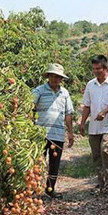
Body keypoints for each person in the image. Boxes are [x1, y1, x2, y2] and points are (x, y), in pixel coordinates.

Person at [79, 55, 108, 194]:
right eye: (94, 69)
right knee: (96, 155)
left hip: (107, 125)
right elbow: (87, 105)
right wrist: (82, 123)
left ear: (105, 68)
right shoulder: (90, 85)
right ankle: (101, 182)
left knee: (105, 150)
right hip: (93, 127)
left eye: (98, 68)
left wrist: (104, 112)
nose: (96, 71)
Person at [32, 63, 74, 199]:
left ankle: (50, 189)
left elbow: (68, 114)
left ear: (61, 79)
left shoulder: (65, 93)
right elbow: (29, 106)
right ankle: (34, 190)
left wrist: (70, 132)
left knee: (54, 164)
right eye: (53, 76)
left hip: (57, 134)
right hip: (40, 134)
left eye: (58, 77)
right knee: (38, 162)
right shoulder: (39, 90)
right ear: (48, 76)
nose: (55, 79)